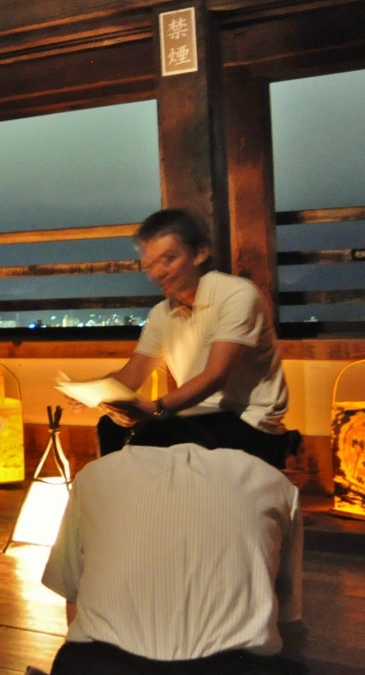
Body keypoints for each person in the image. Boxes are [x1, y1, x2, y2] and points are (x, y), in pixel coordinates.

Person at [43, 417, 304, 675]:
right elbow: (287, 615)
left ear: (134, 448)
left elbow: (72, 594)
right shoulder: (272, 481)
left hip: (101, 666)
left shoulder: (94, 475)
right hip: (235, 667)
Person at [96, 208, 296, 469]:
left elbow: (214, 375)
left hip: (250, 421)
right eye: (151, 265)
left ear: (200, 253)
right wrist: (95, 392)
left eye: (169, 259)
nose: (158, 272)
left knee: (155, 437)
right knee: (110, 427)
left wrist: (155, 408)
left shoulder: (236, 294)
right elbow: (131, 376)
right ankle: (121, 496)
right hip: (196, 416)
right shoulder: (162, 313)